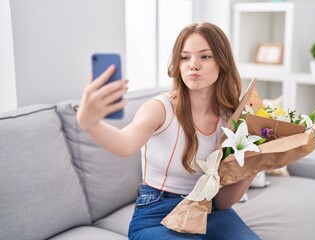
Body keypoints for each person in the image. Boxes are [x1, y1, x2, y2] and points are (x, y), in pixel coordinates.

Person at [77, 22, 261, 240]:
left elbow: (222, 202)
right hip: (157, 215)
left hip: (208, 210)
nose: (193, 65)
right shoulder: (160, 108)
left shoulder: (231, 118)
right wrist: (89, 122)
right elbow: (124, 144)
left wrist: (259, 161)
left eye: (205, 56)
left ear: (222, 62)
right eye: (185, 57)